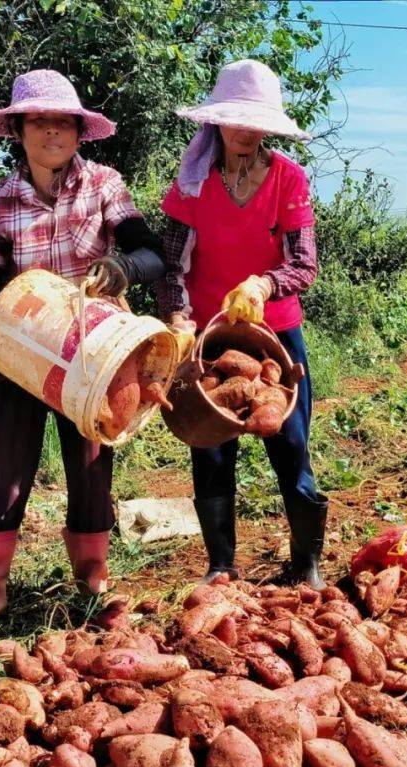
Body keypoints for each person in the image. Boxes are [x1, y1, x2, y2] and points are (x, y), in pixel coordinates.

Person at [0, 69, 166, 620]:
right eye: (39, 121)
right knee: (8, 467)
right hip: (22, 356)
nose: (51, 131)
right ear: (19, 130)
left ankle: (92, 578)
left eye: (63, 122)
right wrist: (12, 340)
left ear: (79, 131)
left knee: (91, 462)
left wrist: (122, 268)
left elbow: (150, 253)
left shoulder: (103, 185)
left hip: (95, 357)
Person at [156, 59, 327, 589]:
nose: (246, 131)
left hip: (275, 336)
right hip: (207, 337)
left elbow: (303, 263)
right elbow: (168, 264)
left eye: (256, 121)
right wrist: (178, 316)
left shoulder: (288, 179)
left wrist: (262, 284)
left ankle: (306, 564)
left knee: (290, 443)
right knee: (209, 448)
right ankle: (221, 566)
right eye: (236, 119)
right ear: (217, 122)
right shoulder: (192, 183)